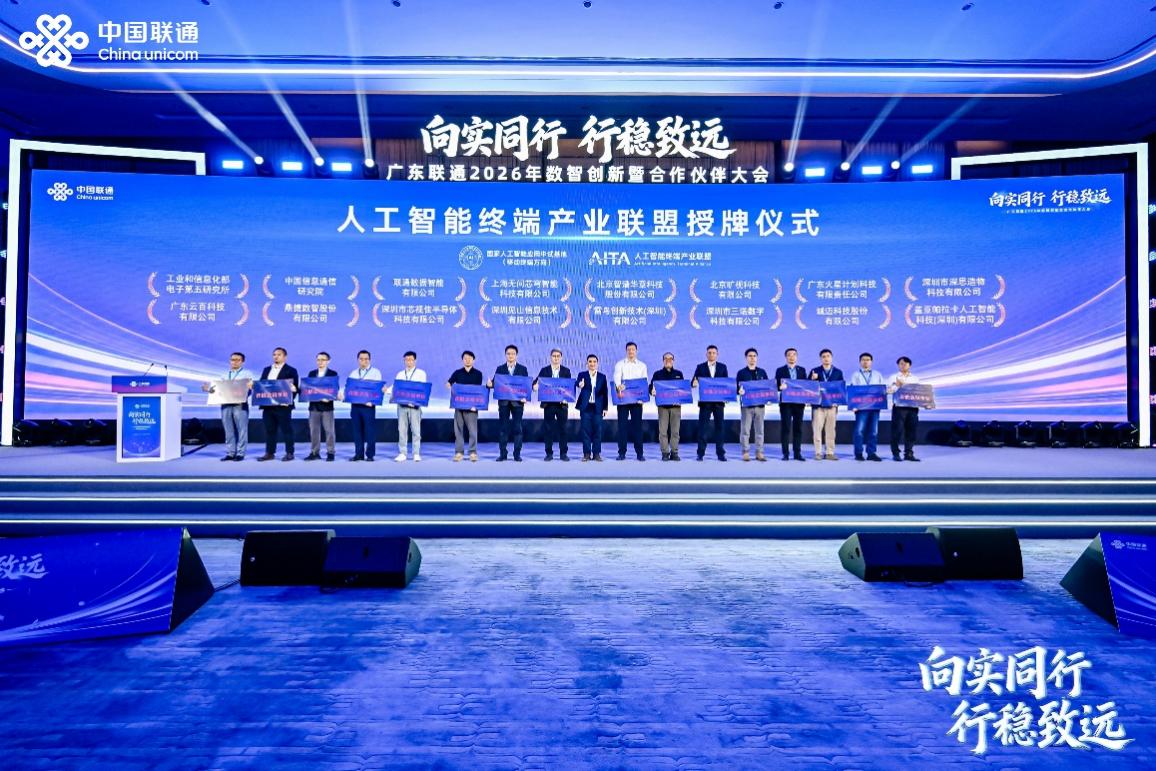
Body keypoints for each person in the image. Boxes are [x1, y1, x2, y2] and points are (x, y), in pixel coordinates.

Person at [202, 351, 253, 462]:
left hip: (240, 404)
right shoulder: (224, 375)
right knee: (228, 429)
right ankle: (230, 453)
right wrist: (208, 390)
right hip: (226, 404)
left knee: (242, 430)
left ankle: (240, 453)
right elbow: (218, 390)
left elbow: (250, 389)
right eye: (232, 360)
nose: (234, 362)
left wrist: (250, 387)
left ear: (242, 362)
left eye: (237, 360)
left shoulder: (247, 374)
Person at [488, 344, 529, 462]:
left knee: (518, 429)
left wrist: (525, 396)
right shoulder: (500, 369)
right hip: (504, 403)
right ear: (505, 355)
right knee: (503, 429)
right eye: (508, 354)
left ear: (516, 355)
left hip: (518, 403)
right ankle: (503, 454)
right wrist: (489, 384)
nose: (510, 356)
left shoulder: (523, 369)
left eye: (513, 354)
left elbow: (525, 385)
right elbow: (495, 383)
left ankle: (517, 454)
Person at [257, 347, 299, 462]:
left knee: (287, 430)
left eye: (279, 354)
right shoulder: (266, 369)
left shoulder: (291, 370)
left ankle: (289, 453)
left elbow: (294, 388)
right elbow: (262, 385)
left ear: (285, 357)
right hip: (268, 405)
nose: (276, 356)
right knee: (270, 430)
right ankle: (270, 453)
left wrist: (288, 400)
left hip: (283, 406)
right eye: (274, 354)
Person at [692, 344, 728, 461]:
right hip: (705, 403)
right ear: (706, 354)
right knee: (703, 428)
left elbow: (726, 384)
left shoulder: (723, 367)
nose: (711, 354)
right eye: (709, 353)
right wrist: (694, 383)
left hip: (718, 403)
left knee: (720, 428)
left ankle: (720, 453)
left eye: (714, 353)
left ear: (717, 354)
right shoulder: (700, 367)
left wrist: (727, 395)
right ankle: (700, 453)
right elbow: (694, 381)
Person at [612, 341, 648, 461]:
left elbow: (644, 382)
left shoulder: (642, 365)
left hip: (637, 401)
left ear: (636, 351)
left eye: (633, 349)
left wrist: (643, 397)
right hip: (623, 399)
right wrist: (618, 386)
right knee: (622, 427)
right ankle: (622, 453)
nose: (631, 351)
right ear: (626, 351)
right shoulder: (620, 364)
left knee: (637, 427)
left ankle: (639, 453)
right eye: (629, 350)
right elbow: (617, 377)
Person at [535, 348, 572, 461]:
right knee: (548, 429)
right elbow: (536, 382)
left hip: (562, 405)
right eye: (554, 356)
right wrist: (535, 386)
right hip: (549, 405)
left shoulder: (566, 371)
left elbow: (569, 387)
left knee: (563, 429)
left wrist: (567, 397)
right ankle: (549, 453)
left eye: (558, 356)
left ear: (561, 358)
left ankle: (563, 453)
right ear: (550, 357)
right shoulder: (544, 370)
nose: (556, 358)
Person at [447, 350, 483, 462]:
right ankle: (459, 452)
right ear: (462, 360)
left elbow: (477, 390)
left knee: (473, 431)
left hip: (472, 407)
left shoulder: (478, 374)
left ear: (473, 360)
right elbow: (449, 383)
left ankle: (472, 452)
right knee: (458, 430)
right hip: (459, 406)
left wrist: (475, 405)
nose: (467, 360)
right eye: (465, 358)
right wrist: (450, 387)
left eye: (470, 358)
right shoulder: (457, 373)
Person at [346, 350, 382, 462]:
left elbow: (377, 390)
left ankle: (370, 455)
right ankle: (358, 454)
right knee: (357, 431)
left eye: (366, 359)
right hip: (355, 406)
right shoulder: (353, 373)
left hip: (368, 406)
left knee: (370, 431)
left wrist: (372, 401)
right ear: (358, 360)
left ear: (369, 360)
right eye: (361, 359)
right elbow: (349, 388)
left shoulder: (375, 372)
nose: (364, 361)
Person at [809, 348, 844, 461]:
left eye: (828, 356)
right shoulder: (814, 371)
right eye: (823, 357)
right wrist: (812, 379)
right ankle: (818, 452)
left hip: (832, 405)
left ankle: (830, 452)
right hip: (818, 405)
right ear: (820, 359)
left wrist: (838, 402)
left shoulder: (838, 372)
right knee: (817, 429)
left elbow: (841, 388)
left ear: (831, 358)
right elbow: (809, 387)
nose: (826, 358)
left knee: (830, 430)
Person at [850, 352, 886, 461]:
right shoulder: (855, 375)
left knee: (873, 431)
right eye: (863, 360)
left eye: (868, 360)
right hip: (861, 407)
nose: (865, 362)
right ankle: (858, 453)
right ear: (860, 362)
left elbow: (882, 390)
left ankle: (871, 453)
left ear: (871, 362)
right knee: (859, 431)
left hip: (875, 407)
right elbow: (853, 391)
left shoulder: (877, 375)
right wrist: (854, 406)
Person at [735, 347, 770, 462]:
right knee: (745, 430)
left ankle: (759, 452)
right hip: (747, 406)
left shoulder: (762, 372)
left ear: (757, 358)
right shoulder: (741, 373)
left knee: (760, 430)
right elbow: (736, 388)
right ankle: (745, 452)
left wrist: (769, 398)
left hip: (760, 406)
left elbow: (767, 387)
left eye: (754, 356)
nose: (752, 358)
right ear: (746, 358)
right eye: (750, 356)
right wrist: (739, 391)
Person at [650, 352, 685, 461]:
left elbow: (683, 389)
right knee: (663, 432)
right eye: (666, 358)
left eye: (670, 358)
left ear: (673, 361)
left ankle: (674, 453)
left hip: (676, 407)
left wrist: (681, 399)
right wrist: (651, 391)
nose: (668, 360)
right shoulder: (657, 374)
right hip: (663, 407)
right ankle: (665, 453)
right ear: (663, 361)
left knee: (675, 432)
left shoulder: (679, 374)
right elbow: (651, 387)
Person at [887, 356, 922, 462]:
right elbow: (888, 391)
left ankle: (909, 453)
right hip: (899, 407)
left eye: (905, 363)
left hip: (913, 407)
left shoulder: (915, 378)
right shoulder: (893, 377)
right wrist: (897, 386)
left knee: (911, 431)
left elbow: (919, 392)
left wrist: (926, 403)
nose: (903, 365)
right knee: (897, 431)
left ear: (909, 365)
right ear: (898, 365)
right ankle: (896, 453)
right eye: (901, 363)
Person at [394, 350, 427, 463]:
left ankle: (416, 453)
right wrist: (387, 390)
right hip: (402, 406)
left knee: (416, 430)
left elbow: (422, 389)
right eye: (406, 360)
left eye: (411, 360)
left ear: (415, 361)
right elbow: (396, 387)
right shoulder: (400, 374)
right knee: (402, 430)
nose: (409, 362)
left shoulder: (421, 373)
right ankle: (402, 453)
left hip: (415, 406)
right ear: (404, 361)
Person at [304, 351, 338, 462]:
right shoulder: (312, 373)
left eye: (323, 360)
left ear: (328, 361)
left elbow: (335, 389)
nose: (320, 362)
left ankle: (330, 452)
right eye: (318, 360)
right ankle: (315, 452)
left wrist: (329, 398)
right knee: (314, 431)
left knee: (329, 431)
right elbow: (308, 389)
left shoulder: (332, 374)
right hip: (314, 406)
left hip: (327, 407)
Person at [775, 347, 807, 462]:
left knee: (798, 429)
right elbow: (776, 386)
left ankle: (797, 453)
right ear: (786, 357)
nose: (791, 357)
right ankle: (786, 453)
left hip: (799, 404)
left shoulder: (802, 370)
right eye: (789, 355)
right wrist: (780, 387)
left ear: (797, 357)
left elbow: (805, 386)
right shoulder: (780, 370)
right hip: (786, 404)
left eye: (794, 354)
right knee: (786, 428)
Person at [576, 354, 608, 461]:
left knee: (597, 431)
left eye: (594, 362)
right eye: (590, 361)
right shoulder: (582, 374)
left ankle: (596, 454)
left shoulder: (602, 377)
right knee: (585, 431)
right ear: (587, 363)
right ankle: (586, 454)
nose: (592, 363)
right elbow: (577, 383)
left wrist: (605, 408)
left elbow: (605, 393)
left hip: (598, 407)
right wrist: (579, 384)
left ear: (597, 364)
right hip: (586, 407)